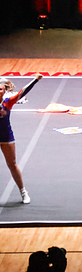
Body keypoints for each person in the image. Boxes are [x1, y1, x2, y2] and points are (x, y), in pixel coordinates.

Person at [0, 74, 42, 204]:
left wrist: (35, 80)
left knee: (12, 164)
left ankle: (23, 192)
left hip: (6, 136)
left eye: (0, 89)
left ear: (4, 91)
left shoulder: (8, 102)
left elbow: (22, 92)